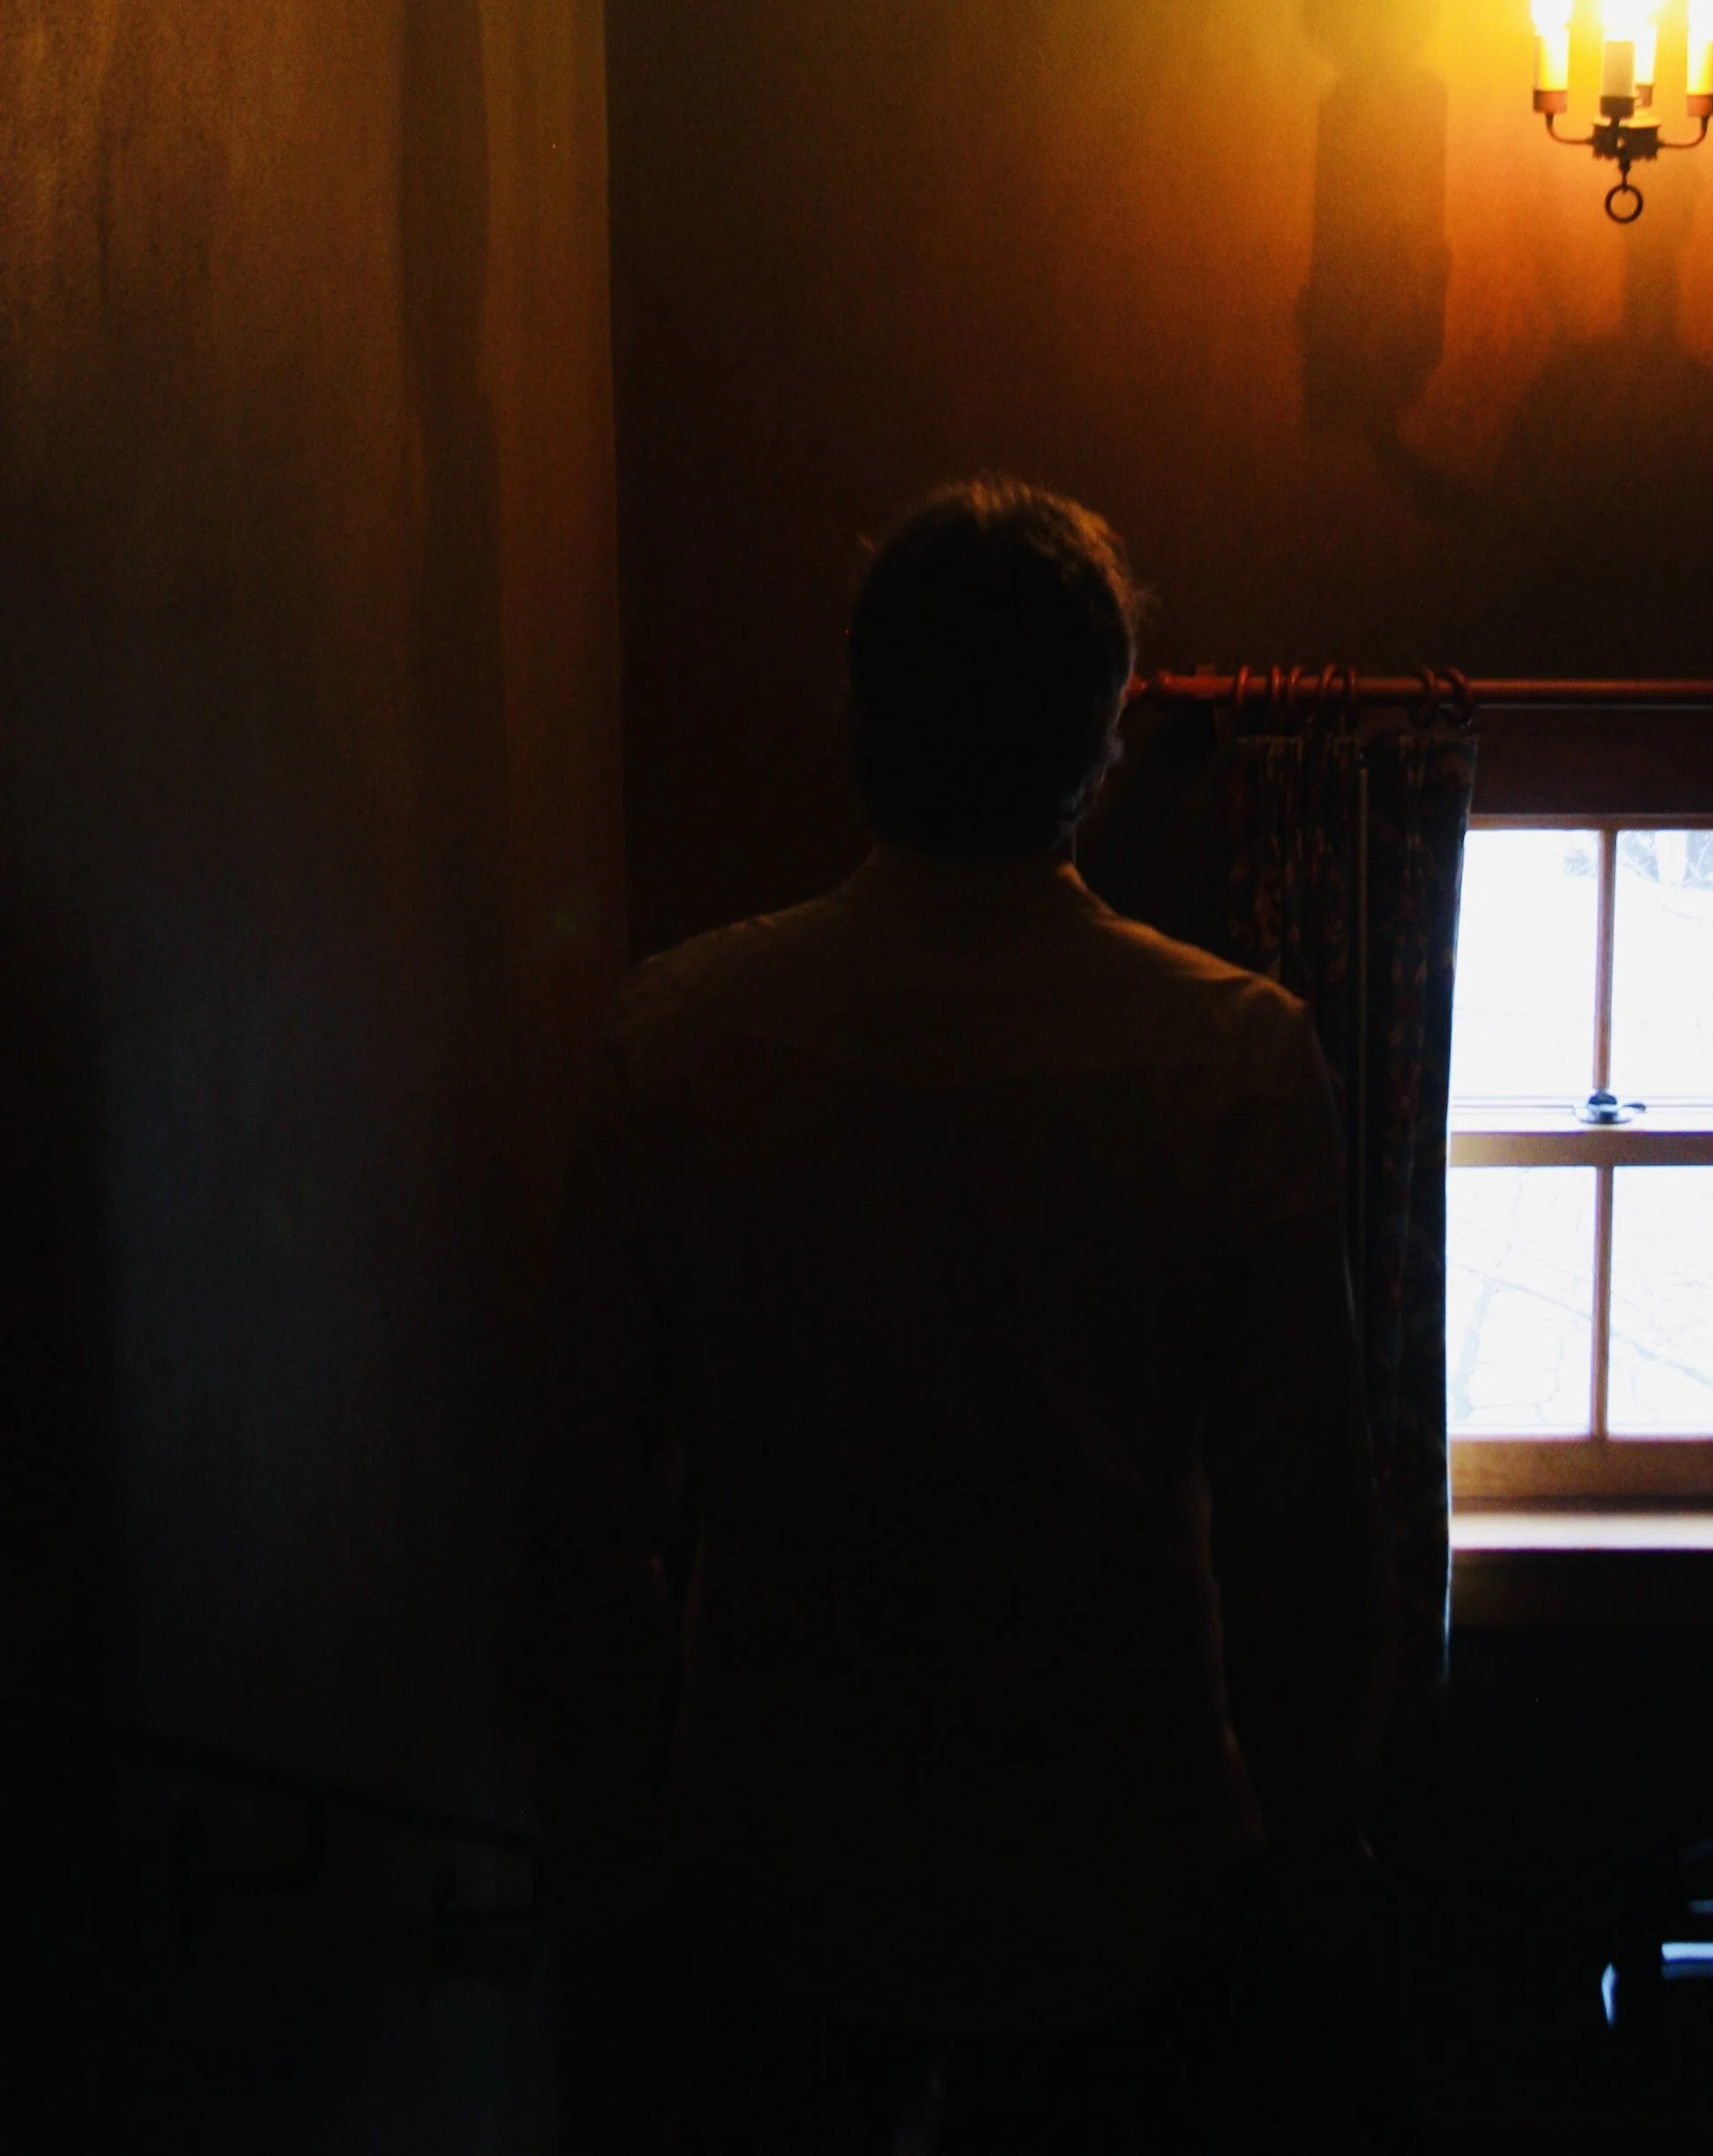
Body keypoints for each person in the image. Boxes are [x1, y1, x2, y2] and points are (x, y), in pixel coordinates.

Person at [526, 479, 1396, 2151]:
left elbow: (584, 1523)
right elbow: (1305, 1529)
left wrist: (614, 1863)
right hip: (1117, 1873)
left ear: (860, 717)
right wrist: (1316, 1851)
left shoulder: (679, 1041)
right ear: (1107, 734)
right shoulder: (1234, 1057)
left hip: (782, 1864)